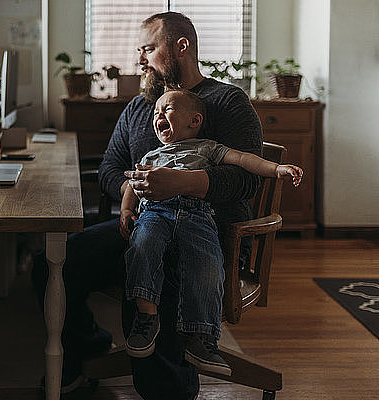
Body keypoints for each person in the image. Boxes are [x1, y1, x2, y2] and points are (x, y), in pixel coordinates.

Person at [32, 11, 264, 400]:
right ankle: (88, 348)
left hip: (208, 235)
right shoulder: (142, 108)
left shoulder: (227, 102)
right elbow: (110, 168)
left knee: (157, 281)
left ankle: (170, 391)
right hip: (143, 224)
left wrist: (187, 182)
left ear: (181, 48)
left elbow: (248, 179)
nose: (141, 59)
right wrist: (136, 186)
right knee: (54, 263)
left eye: (148, 49)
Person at [121, 89, 302, 375]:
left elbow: (244, 160)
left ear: (194, 120)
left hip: (197, 214)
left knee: (207, 264)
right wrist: (125, 211)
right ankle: (146, 317)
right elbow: (133, 183)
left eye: (167, 109)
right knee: (142, 247)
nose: (158, 116)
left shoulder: (208, 147)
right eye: (155, 112)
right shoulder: (152, 155)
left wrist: (276, 168)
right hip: (155, 213)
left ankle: (202, 338)